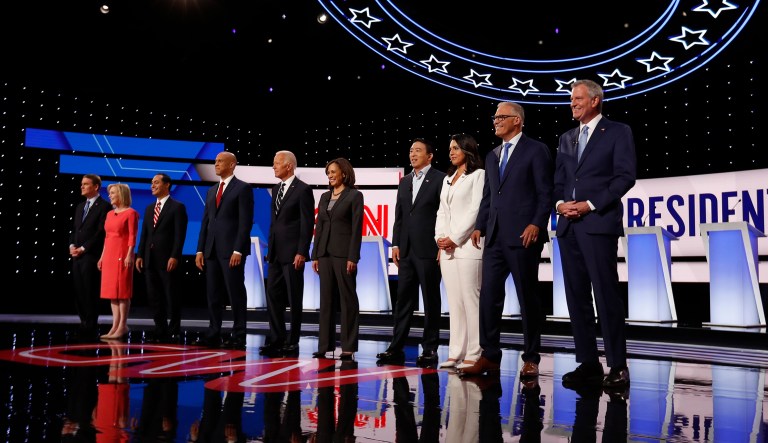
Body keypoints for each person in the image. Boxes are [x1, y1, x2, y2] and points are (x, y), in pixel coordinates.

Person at [461, 102, 553, 379]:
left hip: (524, 235)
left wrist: (536, 223)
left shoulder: (536, 150)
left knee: (527, 298)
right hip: (495, 238)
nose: (496, 121)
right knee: (489, 297)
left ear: (518, 121)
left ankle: (531, 358)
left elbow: (545, 192)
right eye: (495, 117)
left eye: (501, 117)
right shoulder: (492, 155)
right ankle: (489, 356)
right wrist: (480, 226)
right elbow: (489, 196)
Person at [554, 79, 636, 390]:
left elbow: (625, 177)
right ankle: (588, 362)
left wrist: (589, 205)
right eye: (571, 99)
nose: (572, 103)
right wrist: (561, 204)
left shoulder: (617, 132)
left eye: (577, 98)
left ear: (595, 101)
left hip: (598, 223)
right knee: (576, 298)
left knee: (605, 294)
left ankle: (618, 365)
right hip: (568, 226)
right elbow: (559, 180)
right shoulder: (566, 138)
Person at [376, 138, 446, 367]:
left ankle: (430, 349)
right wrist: (395, 244)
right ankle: (396, 348)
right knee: (403, 301)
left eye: (418, 151)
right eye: (411, 151)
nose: (413, 154)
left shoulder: (440, 178)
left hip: (428, 249)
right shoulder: (405, 181)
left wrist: (440, 245)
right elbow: (399, 217)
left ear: (430, 155)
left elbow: (444, 214)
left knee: (431, 301)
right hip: (406, 251)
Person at [434, 133, 485, 369]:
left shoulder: (478, 175)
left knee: (470, 301)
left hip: (467, 247)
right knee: (454, 302)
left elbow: (475, 210)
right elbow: (442, 212)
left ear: (468, 150)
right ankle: (456, 352)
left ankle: (474, 352)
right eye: (450, 148)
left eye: (456, 148)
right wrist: (440, 238)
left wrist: (454, 238)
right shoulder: (448, 178)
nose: (451, 152)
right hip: (447, 249)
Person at [195, 151, 254, 349]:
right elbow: (205, 222)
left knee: (235, 292)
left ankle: (239, 333)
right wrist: (199, 250)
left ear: (232, 165)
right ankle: (213, 332)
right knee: (213, 294)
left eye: (220, 161)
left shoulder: (243, 188)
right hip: (211, 250)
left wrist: (238, 250)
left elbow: (245, 222)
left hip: (231, 251)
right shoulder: (212, 190)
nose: (216, 164)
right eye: (216, 161)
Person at [261, 150, 315, 357]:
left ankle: (292, 341)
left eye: (277, 163)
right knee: (273, 297)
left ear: (289, 166)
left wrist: (302, 251)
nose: (273, 167)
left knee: (294, 298)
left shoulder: (302, 190)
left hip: (293, 254)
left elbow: (306, 222)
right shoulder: (276, 189)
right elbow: (275, 223)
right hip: (275, 253)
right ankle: (276, 338)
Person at [311, 158, 363, 360]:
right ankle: (325, 345)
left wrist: (353, 256)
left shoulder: (354, 196)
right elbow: (319, 227)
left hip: (344, 255)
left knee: (347, 301)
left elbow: (356, 229)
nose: (330, 176)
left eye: (333, 172)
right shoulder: (324, 197)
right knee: (326, 301)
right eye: (328, 173)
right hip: (324, 254)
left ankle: (348, 347)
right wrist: (315, 254)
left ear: (344, 173)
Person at [135, 173, 188, 344]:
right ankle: (160, 329)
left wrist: (174, 256)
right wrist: (140, 254)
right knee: (154, 296)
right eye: (152, 183)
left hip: (168, 260)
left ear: (167, 185)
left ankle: (174, 330)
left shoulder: (177, 207)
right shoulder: (150, 208)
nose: (152, 185)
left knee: (171, 296)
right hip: (150, 259)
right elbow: (144, 234)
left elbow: (180, 236)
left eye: (156, 182)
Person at [69, 174, 110, 339]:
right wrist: (72, 245)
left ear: (96, 187)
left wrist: (84, 248)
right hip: (76, 255)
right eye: (81, 184)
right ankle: (83, 323)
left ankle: (91, 324)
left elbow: (100, 233)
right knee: (78, 290)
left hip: (91, 256)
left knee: (89, 291)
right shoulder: (80, 206)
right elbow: (74, 230)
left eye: (86, 184)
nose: (82, 187)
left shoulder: (104, 207)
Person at [98, 183, 139, 340]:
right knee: (112, 294)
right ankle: (114, 325)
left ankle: (122, 325)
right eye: (110, 193)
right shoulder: (109, 214)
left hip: (122, 255)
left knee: (122, 292)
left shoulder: (131, 213)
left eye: (113, 193)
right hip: (109, 254)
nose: (110, 196)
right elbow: (107, 237)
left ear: (121, 194)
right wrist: (102, 256)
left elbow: (132, 236)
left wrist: (130, 255)